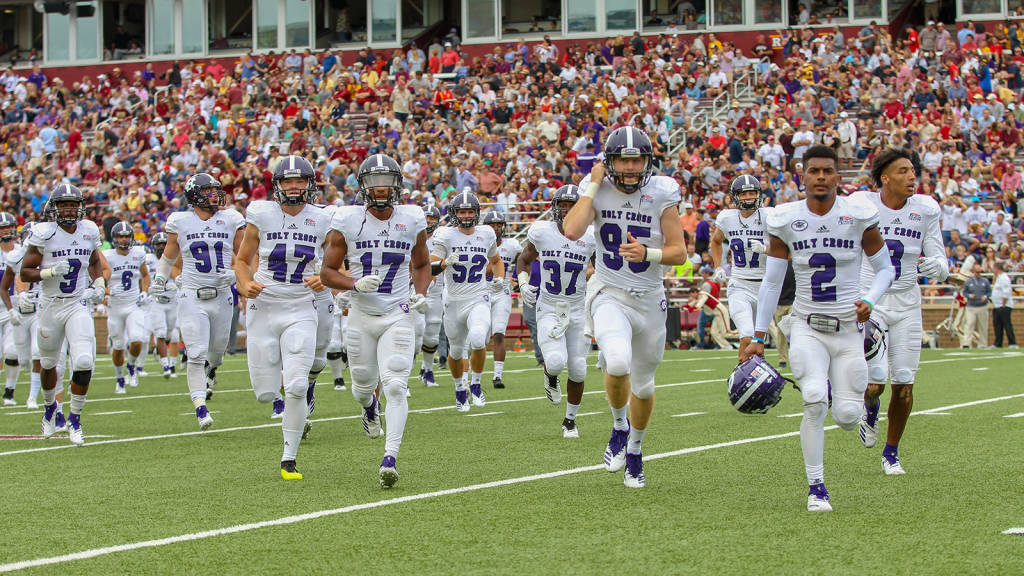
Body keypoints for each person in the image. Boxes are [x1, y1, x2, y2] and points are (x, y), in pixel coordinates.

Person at [740, 145, 895, 512]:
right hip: (807, 326)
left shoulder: (857, 216)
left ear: (837, 176)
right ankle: (816, 487)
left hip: (848, 331)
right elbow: (772, 282)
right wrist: (758, 336)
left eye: (828, 171)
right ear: (802, 175)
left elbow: (886, 268)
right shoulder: (784, 219)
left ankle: (855, 403)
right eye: (814, 171)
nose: (821, 177)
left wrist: (870, 300)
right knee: (812, 400)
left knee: (844, 417)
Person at [562, 126, 687, 488]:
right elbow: (571, 231)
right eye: (623, 159)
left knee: (644, 386)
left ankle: (635, 448)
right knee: (616, 362)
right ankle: (619, 425)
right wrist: (592, 185)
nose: (631, 167)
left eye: (637, 160)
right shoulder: (597, 189)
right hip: (609, 291)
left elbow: (679, 253)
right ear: (610, 161)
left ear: (647, 162)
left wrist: (648, 253)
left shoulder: (662, 191)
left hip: (649, 297)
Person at [321, 153, 431, 488]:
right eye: (373, 182)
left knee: (396, 384)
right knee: (362, 387)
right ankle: (369, 407)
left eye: (386, 182)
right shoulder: (347, 219)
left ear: (398, 184)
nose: (380, 189)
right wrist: (353, 283)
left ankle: (390, 457)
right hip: (361, 314)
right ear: (362, 185)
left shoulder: (412, 218)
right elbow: (326, 272)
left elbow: (422, 263)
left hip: (398, 312)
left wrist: (421, 291)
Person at [234, 155, 332, 481]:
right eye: (288, 181)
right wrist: (244, 282)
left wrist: (326, 277)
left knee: (297, 384)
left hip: (302, 306)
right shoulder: (261, 213)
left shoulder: (322, 218)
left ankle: (289, 458)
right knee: (265, 392)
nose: (294, 187)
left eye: (300, 181)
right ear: (276, 185)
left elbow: (339, 260)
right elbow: (242, 260)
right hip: (264, 305)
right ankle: (283, 407)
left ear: (309, 184)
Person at [852, 148, 948, 476]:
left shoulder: (926, 209)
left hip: (908, 301)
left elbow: (941, 261)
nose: (912, 177)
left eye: (913, 171)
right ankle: (869, 408)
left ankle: (891, 452)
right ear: (885, 178)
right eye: (903, 171)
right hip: (871, 300)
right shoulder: (863, 204)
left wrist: (938, 266)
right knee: (875, 382)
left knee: (904, 384)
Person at [153, 173, 245, 431]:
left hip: (222, 294)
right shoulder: (180, 222)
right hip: (192, 294)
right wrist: (160, 278)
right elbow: (169, 257)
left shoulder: (231, 219)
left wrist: (236, 272)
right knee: (195, 353)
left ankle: (212, 371)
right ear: (194, 195)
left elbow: (246, 254)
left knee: (217, 353)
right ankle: (200, 406)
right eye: (208, 191)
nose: (215, 195)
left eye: (216, 190)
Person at [21, 184, 110, 446]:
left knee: (83, 361)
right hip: (50, 305)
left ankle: (75, 419)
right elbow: (25, 271)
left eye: (73, 204)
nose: (69, 209)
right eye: (64, 205)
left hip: (77, 303)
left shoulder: (89, 230)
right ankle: (50, 408)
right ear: (55, 208)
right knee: (49, 364)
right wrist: (48, 272)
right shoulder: (44, 234)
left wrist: (100, 284)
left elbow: (94, 261)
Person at [517, 185, 596, 438]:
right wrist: (522, 282)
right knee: (554, 361)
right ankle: (550, 376)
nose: (567, 209)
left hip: (577, 308)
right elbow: (524, 259)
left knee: (579, 369)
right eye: (563, 204)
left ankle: (570, 420)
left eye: (573, 205)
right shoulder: (542, 232)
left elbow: (602, 269)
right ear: (555, 207)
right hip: (550, 306)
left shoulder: (591, 236)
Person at [430, 191, 502, 412]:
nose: (467, 215)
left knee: (479, 338)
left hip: (478, 296)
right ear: (454, 213)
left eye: (470, 211)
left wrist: (499, 278)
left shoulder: (487, 233)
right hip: (453, 299)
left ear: (477, 213)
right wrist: (443, 263)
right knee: (457, 349)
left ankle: (476, 384)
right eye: (462, 211)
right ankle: (460, 389)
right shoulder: (445, 235)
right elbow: (429, 266)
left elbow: (496, 260)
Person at [711, 175, 769, 360]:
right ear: (736, 196)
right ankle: (741, 378)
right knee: (747, 334)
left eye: (753, 193)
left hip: (765, 287)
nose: (749, 197)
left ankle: (754, 377)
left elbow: (787, 249)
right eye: (744, 194)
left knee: (759, 341)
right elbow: (716, 241)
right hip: (739, 284)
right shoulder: (727, 218)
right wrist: (718, 266)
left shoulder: (769, 217)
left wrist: (766, 249)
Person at [103, 221, 150, 394]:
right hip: (115, 307)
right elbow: (97, 281)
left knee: (137, 339)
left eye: (126, 236)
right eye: (120, 236)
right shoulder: (106, 255)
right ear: (114, 238)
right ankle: (119, 379)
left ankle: (131, 366)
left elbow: (145, 275)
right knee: (118, 345)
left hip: (133, 305)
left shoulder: (138, 254)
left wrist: (144, 291)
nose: (124, 240)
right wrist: (108, 291)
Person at [1, 222, 42, 407]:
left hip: (31, 308)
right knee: (21, 357)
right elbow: (10, 282)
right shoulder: (16, 256)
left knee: (24, 353)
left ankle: (15, 393)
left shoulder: (46, 254)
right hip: (16, 307)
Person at [482, 210, 521, 389]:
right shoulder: (479, 243)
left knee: (499, 334)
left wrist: (520, 277)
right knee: (479, 338)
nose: (496, 228)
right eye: (493, 225)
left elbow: (523, 261)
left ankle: (497, 376)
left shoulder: (512, 244)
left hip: (502, 293)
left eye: (499, 225)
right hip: (481, 292)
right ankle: (473, 375)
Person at [145, 233, 180, 379]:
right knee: (160, 332)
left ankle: (162, 355)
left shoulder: (175, 259)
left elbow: (181, 275)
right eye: (158, 244)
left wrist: (176, 283)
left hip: (172, 301)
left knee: (171, 334)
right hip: (156, 301)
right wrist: (147, 289)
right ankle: (167, 366)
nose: (161, 247)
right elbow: (143, 278)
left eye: (164, 244)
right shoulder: (148, 260)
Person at [418, 205, 444, 387]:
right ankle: (404, 376)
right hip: (414, 289)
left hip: (436, 290)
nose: (429, 222)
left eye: (432, 218)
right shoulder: (412, 236)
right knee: (413, 332)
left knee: (432, 335)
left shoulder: (441, 238)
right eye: (426, 218)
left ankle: (427, 370)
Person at [0, 212, 21, 404]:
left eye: (9, 227)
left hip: (13, 308)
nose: (6, 231)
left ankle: (9, 391)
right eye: (2, 228)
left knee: (13, 351)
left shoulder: (23, 251)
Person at [960, 264, 992, 348]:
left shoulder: (985, 281)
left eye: (980, 272)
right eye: (977, 272)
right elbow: (964, 292)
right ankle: (966, 343)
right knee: (969, 324)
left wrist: (985, 297)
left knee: (983, 326)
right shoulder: (968, 281)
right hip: (971, 306)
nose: (978, 273)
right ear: (973, 272)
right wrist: (970, 296)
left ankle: (983, 344)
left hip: (982, 306)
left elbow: (989, 292)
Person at [992, 261, 1017, 348]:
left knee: (1007, 324)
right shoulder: (998, 277)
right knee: (997, 325)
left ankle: (1012, 343)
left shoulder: (1004, 278)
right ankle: (998, 343)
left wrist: (1003, 304)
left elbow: (1006, 292)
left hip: (1004, 306)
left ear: (997, 268)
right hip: (997, 305)